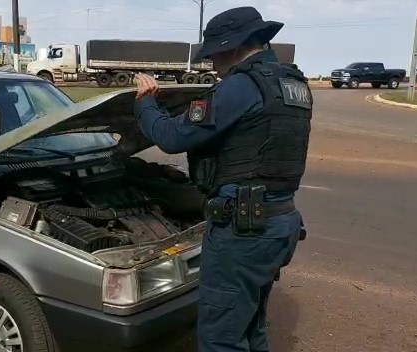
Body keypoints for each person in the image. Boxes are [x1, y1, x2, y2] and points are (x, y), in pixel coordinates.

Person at [132, 6, 312, 352]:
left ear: (232, 47)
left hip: (242, 232)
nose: (212, 63)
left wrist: (145, 103)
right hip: (279, 224)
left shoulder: (240, 88)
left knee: (220, 338)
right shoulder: (293, 85)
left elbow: (171, 138)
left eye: (214, 53)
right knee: (251, 325)